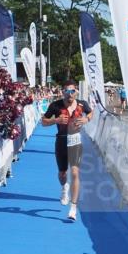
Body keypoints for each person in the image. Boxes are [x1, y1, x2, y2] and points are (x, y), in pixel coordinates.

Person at [41, 79, 92, 221]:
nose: (70, 94)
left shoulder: (82, 104)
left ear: (76, 92)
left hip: (76, 140)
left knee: (75, 172)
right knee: (62, 173)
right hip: (61, 140)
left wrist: (86, 119)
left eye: (72, 91)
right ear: (63, 92)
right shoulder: (55, 105)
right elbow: (43, 122)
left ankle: (73, 208)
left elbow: (90, 113)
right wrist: (55, 121)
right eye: (67, 91)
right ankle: (64, 188)